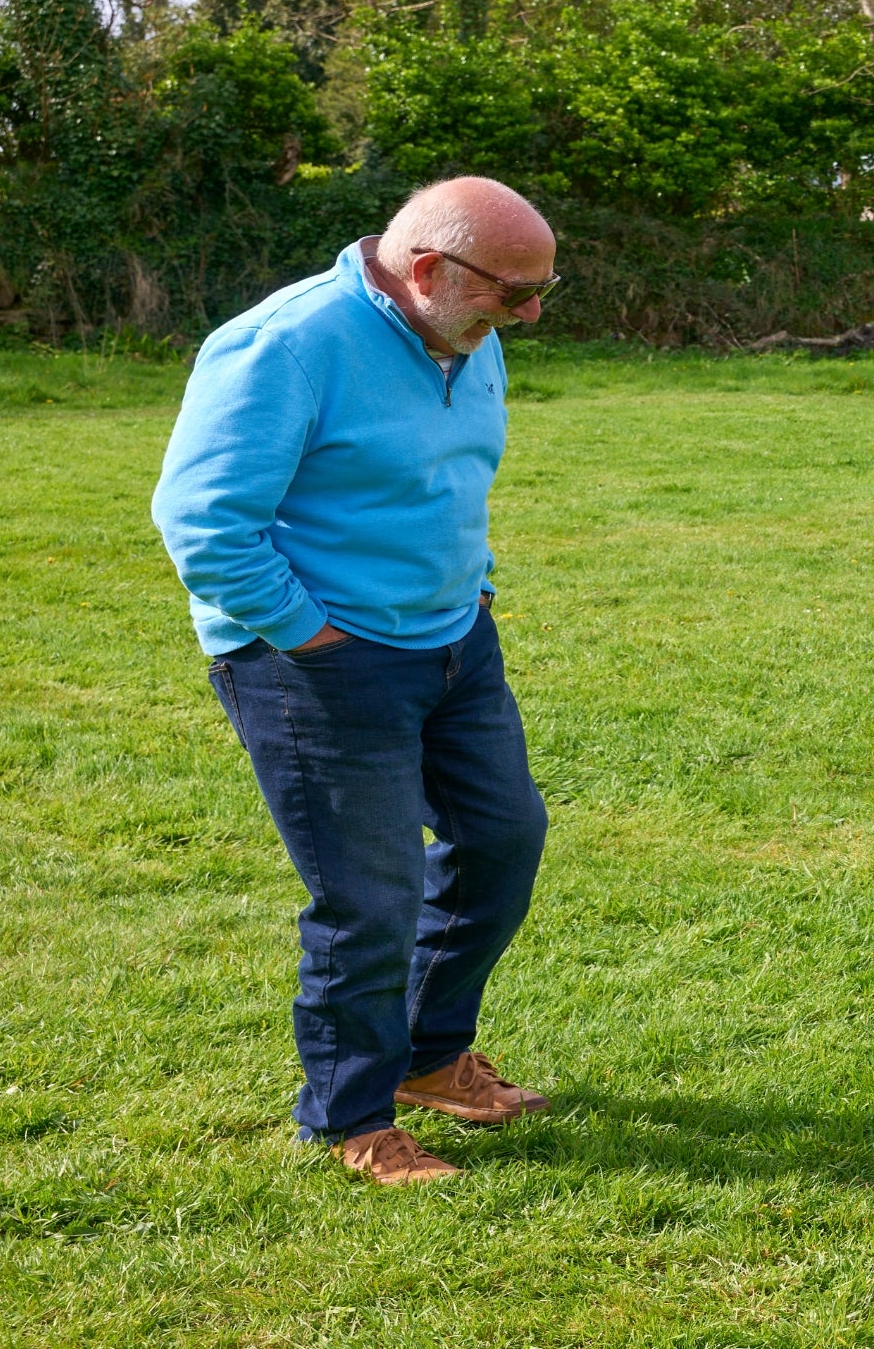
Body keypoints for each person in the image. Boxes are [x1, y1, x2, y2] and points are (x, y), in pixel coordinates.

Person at [152, 177, 563, 1185]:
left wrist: (475, 593)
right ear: (427, 272)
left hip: (454, 641)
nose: (532, 314)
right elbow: (204, 522)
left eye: (545, 288)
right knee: (367, 896)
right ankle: (351, 1118)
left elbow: (447, 480)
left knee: (503, 840)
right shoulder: (285, 346)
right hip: (317, 663)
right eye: (515, 293)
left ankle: (428, 1057)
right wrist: (311, 635)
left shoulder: (465, 334)